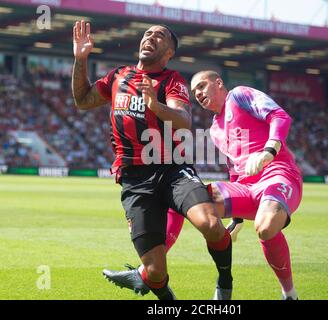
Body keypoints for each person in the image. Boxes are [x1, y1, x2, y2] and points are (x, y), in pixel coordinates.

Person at [72, 22, 233, 300]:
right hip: (134, 179)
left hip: (173, 169)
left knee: (210, 224)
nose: (151, 37)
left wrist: (155, 105)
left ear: (168, 52)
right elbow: (83, 100)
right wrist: (80, 59)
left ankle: (225, 280)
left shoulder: (172, 80)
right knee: (155, 272)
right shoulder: (117, 76)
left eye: (159, 36)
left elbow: (183, 121)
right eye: (148, 33)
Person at [149, 70, 303, 300]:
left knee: (266, 226)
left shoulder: (240, 95)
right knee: (185, 196)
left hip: (277, 174)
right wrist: (237, 217)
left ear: (218, 83)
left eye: (202, 86)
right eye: (194, 92)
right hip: (245, 188)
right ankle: (149, 268)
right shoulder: (214, 130)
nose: (198, 94)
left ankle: (289, 294)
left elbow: (280, 116)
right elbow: (234, 170)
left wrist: (269, 151)